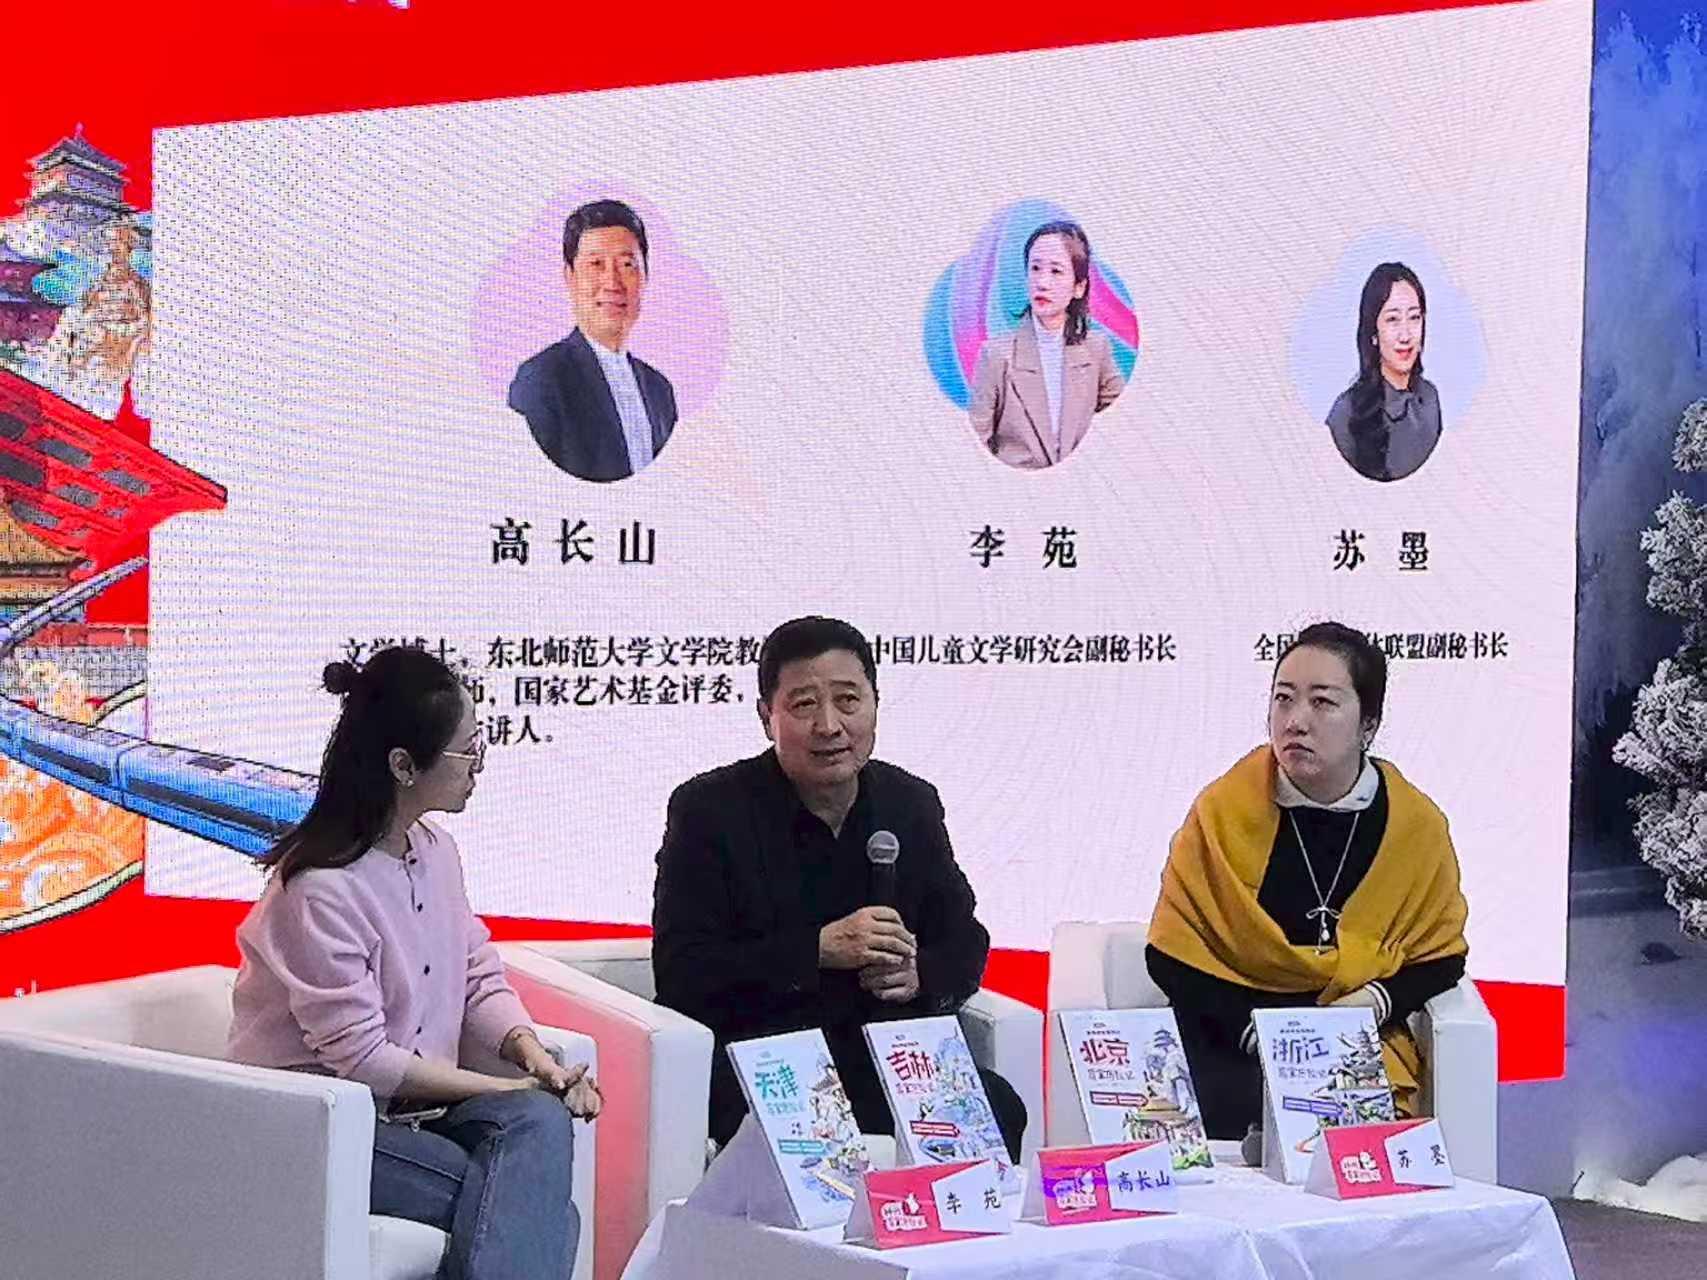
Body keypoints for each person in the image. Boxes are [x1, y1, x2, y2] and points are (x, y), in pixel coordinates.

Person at [227, 647, 600, 1280]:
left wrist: (536, 1061)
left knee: (539, 1125)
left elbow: (477, 976)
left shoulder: (436, 851)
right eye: (468, 751)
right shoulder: (320, 888)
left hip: (414, 1114)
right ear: (403, 765)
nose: (478, 766)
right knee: (547, 1216)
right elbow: (363, 1060)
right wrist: (507, 1087)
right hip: (320, 1123)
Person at [652, 616, 1026, 1158]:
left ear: (875, 705)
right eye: (804, 705)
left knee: (997, 1105)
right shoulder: (709, 811)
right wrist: (817, 951)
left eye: (848, 701)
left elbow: (965, 940)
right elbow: (683, 971)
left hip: (890, 1061)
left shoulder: (910, 803)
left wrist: (920, 974)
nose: (829, 725)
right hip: (772, 1067)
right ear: (766, 717)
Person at [1144, 622, 1468, 1139]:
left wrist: (1371, 1003)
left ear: (1368, 724)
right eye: (1283, 699)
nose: (1295, 721)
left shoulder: (1415, 826)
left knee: (1350, 1120)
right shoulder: (1222, 811)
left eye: (1322, 703)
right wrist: (1262, 1036)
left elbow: (1441, 958)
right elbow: (1171, 956)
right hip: (1229, 1039)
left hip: (1350, 1043)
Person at [509, 199, 678, 482]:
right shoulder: (542, 379)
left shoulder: (660, 390)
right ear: (570, 277)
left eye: (627, 264)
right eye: (596, 264)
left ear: (645, 277)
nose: (612, 282)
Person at [968, 220, 1124, 470]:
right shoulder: (996, 355)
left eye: (1056, 271)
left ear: (1079, 287)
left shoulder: (1097, 349)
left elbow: (1125, 423)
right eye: (1035, 268)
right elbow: (974, 443)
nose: (1042, 282)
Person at [1326, 262, 1441, 482]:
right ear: (1373, 332)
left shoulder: (1430, 399)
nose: (1405, 335)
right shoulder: (1347, 412)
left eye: (1414, 317)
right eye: (1392, 320)